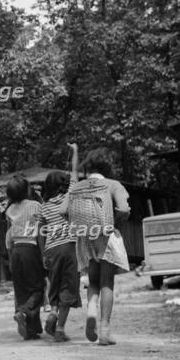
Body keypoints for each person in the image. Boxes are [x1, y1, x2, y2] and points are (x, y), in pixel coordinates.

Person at [66, 147, 130, 345]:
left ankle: (92, 311)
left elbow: (62, 211)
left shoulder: (77, 187)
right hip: (107, 236)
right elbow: (124, 208)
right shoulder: (113, 185)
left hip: (86, 238)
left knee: (92, 280)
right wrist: (115, 221)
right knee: (106, 282)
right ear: (108, 167)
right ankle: (104, 330)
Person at [38, 144, 82, 342]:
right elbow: (74, 174)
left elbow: (39, 234)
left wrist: (43, 255)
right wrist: (75, 151)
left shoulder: (43, 207)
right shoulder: (69, 197)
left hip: (51, 250)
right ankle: (60, 329)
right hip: (70, 247)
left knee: (54, 286)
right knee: (69, 288)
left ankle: (53, 312)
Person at [5, 175, 44, 340]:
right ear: (27, 190)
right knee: (37, 288)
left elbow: (8, 237)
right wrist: (43, 255)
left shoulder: (9, 210)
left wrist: (9, 260)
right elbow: (41, 232)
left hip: (15, 251)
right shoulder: (36, 206)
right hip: (31, 248)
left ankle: (32, 330)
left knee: (21, 290)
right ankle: (23, 311)